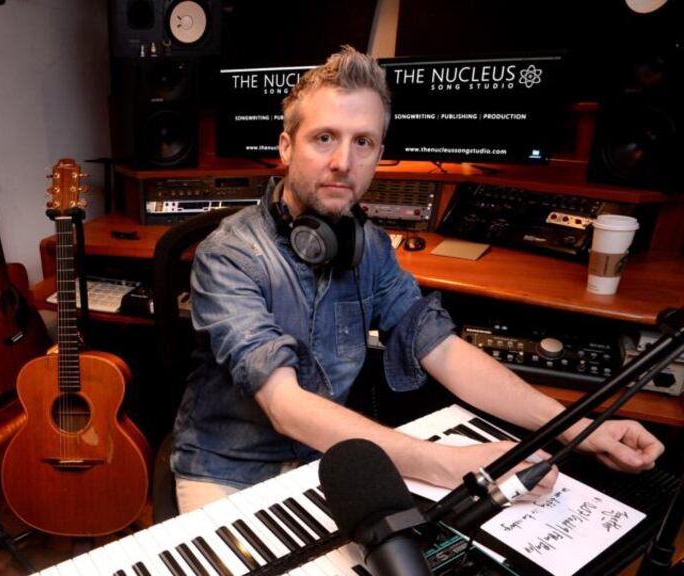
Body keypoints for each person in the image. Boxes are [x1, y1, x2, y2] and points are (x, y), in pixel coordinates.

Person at [170, 45, 664, 513]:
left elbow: (441, 348)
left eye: (362, 142)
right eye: (324, 138)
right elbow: (284, 404)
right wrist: (447, 464)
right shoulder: (229, 254)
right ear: (285, 146)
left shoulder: (370, 248)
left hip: (328, 461)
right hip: (227, 470)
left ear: (378, 152)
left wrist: (577, 427)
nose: (343, 161)